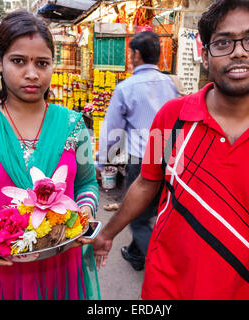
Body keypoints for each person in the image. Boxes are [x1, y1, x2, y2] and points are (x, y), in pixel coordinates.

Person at [93, 0, 249, 300]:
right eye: (223, 42)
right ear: (205, 54)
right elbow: (147, 183)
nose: (239, 51)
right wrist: (108, 232)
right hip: (163, 288)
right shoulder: (171, 117)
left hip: (233, 289)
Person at [0, 10, 100, 300]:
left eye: (42, 63)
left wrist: (85, 212)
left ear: (53, 65)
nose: (32, 73)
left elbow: (87, 184)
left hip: (59, 266)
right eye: (18, 61)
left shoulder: (73, 126)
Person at [96, 31, 179, 271]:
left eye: (131, 53)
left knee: (139, 217)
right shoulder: (169, 84)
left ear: (137, 55)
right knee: (156, 210)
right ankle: (135, 253)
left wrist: (102, 163)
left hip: (142, 161)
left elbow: (112, 129)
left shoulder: (126, 87)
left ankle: (161, 267)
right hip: (170, 158)